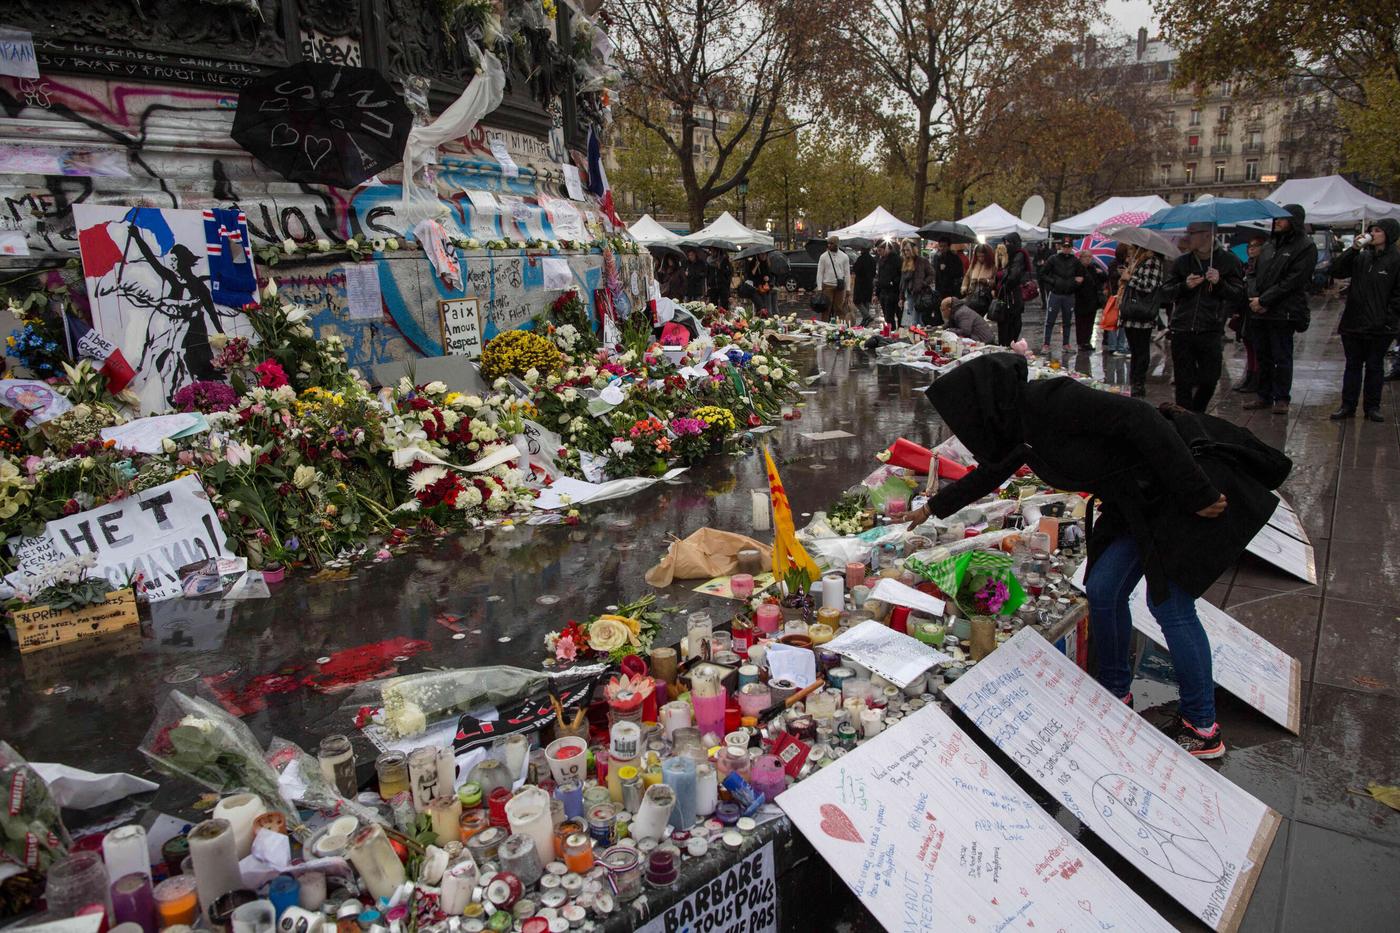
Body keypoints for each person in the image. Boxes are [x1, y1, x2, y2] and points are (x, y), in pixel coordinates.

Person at [904, 353, 1291, 758]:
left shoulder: (1051, 400)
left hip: (1182, 490)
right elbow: (990, 473)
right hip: (1136, 503)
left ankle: (1202, 727)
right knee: (1103, 588)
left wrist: (1196, 492)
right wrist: (932, 508)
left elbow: (1141, 417)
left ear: (985, 402)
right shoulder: (1020, 429)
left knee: (1171, 606)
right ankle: (1114, 690)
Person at [1159, 222, 1245, 412]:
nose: (1187, 237)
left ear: (1207, 234)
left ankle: (1196, 413)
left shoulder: (1228, 261)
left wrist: (1220, 283)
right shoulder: (1183, 262)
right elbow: (1165, 292)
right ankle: (1183, 421)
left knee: (1209, 379)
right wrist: (1185, 286)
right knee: (1183, 381)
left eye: (1192, 233)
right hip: (1182, 328)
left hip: (1210, 328)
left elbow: (1239, 294)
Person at [1244, 204, 1316, 415]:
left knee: (1281, 356)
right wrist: (1255, 298)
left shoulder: (1305, 246)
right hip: (1259, 310)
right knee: (1263, 355)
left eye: (1282, 218)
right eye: (1276, 218)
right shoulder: (1269, 246)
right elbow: (1253, 273)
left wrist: (1265, 300)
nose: (1277, 222)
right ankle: (1263, 394)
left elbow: (1293, 280)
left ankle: (1281, 396)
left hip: (1283, 311)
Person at [1330, 219, 1400, 421]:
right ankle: (1348, 405)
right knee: (1352, 365)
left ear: (1389, 234)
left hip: (1380, 326)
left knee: (1374, 366)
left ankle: (1372, 407)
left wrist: (1387, 318)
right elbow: (1337, 271)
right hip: (1354, 322)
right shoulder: (1363, 257)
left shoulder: (1395, 260)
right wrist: (1352, 249)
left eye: (1378, 231)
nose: (1373, 234)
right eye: (1371, 231)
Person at [1117, 246, 1166, 398]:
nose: (1131, 249)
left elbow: (1149, 285)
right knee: (1135, 350)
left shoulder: (1153, 261)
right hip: (1131, 311)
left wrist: (1129, 278)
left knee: (1141, 349)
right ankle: (1134, 382)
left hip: (1142, 312)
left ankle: (1138, 383)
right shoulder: (1139, 260)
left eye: (1133, 247)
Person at [1231, 233, 1268, 393]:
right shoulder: (1247, 265)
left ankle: (1256, 377)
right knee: (1247, 343)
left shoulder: (1263, 266)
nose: (1251, 250)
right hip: (1245, 309)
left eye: (1255, 246)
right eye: (1250, 247)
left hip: (1256, 308)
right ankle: (1250, 375)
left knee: (1256, 345)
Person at [1042, 238, 1081, 351]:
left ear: (1071, 248)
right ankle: (1046, 344)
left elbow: (1081, 275)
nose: (1066, 249)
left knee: (1067, 321)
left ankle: (1066, 344)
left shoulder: (1075, 260)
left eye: (1068, 247)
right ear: (1061, 247)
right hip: (1055, 294)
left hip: (1069, 295)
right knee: (1050, 321)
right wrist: (1053, 283)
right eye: (1064, 246)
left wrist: (1075, 284)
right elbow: (1043, 273)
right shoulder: (1053, 259)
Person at [995, 232, 1032, 346]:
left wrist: (1003, 286)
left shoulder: (1018, 255)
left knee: (1010, 327)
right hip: (1007, 297)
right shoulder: (1010, 256)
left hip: (1012, 298)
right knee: (1005, 326)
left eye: (1008, 243)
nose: (1006, 245)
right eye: (1005, 243)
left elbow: (1013, 276)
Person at [1072, 249, 1106, 350]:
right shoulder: (1077, 268)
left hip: (1093, 300)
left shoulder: (1094, 268)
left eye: (1090, 257)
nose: (1088, 259)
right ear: (1081, 258)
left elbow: (1104, 278)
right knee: (1081, 322)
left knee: (1090, 322)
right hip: (1080, 299)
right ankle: (1081, 343)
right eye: (1086, 257)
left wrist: (1101, 273)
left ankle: (1087, 342)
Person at [1102, 243, 1132, 356]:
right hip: (1114, 295)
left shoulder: (1129, 264)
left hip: (1124, 295)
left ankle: (1120, 345)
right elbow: (1111, 277)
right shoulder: (1113, 264)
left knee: (1123, 321)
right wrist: (1119, 273)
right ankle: (1113, 346)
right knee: (1113, 321)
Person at [816, 235, 852, 323]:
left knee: (839, 309)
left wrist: (848, 289)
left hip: (840, 286)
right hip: (827, 286)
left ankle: (840, 328)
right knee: (826, 309)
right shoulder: (823, 256)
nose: (829, 245)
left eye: (831, 244)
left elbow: (847, 273)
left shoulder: (844, 257)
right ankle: (824, 326)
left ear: (837, 244)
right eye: (828, 243)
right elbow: (820, 273)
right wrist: (819, 287)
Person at [900, 239, 934, 326]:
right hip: (909, 294)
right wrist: (901, 297)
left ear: (912, 250)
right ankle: (919, 336)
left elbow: (931, 274)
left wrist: (923, 283)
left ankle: (919, 336)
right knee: (914, 318)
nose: (906, 252)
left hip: (920, 294)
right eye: (904, 250)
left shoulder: (922, 261)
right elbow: (903, 281)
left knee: (916, 320)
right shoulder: (905, 262)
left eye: (907, 250)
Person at [933, 238, 964, 319]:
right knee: (940, 312)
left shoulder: (955, 258)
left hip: (951, 290)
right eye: (940, 246)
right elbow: (936, 274)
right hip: (940, 290)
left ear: (949, 246)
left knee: (951, 312)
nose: (942, 248)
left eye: (944, 246)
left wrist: (946, 269)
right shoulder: (937, 258)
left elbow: (959, 273)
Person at [962, 243, 997, 314]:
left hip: (985, 298)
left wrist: (987, 281)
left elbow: (996, 281)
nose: (981, 258)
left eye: (983, 256)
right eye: (978, 256)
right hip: (971, 296)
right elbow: (967, 276)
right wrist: (964, 287)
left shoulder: (993, 266)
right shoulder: (973, 264)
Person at [876, 241, 902, 328]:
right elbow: (879, 278)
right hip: (884, 293)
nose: (879, 253)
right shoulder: (881, 260)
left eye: (880, 250)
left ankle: (900, 333)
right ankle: (892, 334)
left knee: (899, 316)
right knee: (888, 317)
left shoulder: (897, 259)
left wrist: (892, 282)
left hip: (895, 292)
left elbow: (900, 275)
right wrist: (877, 293)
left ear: (886, 248)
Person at [852, 245, 877, 326]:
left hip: (860, 284)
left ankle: (867, 316)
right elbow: (874, 273)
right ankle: (864, 322)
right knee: (866, 301)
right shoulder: (872, 259)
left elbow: (855, 269)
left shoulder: (860, 259)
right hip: (869, 284)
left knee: (857, 301)